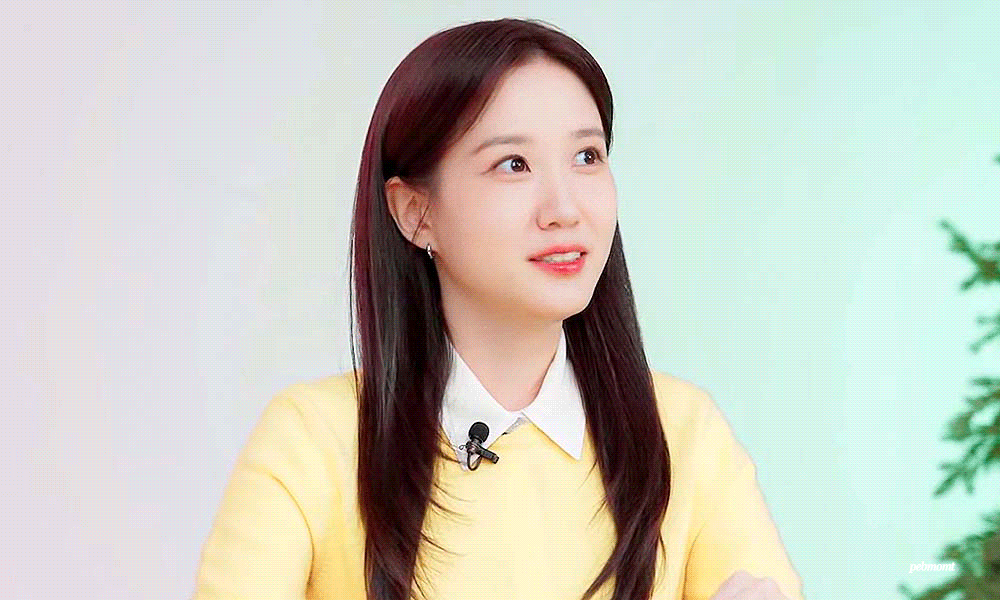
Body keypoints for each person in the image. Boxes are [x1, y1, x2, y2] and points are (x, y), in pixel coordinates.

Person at [192, 18, 805, 600]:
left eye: (587, 157)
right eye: (514, 165)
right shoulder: (313, 440)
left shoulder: (683, 431)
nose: (564, 209)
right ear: (415, 213)